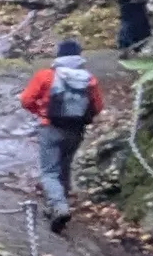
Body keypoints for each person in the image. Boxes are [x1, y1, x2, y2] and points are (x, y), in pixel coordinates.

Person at [19, 40, 103, 233]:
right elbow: (97, 107)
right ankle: (57, 205)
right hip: (76, 130)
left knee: (49, 171)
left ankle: (59, 207)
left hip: (50, 127)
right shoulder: (89, 80)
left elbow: (26, 100)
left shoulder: (46, 76)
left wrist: (40, 112)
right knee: (64, 167)